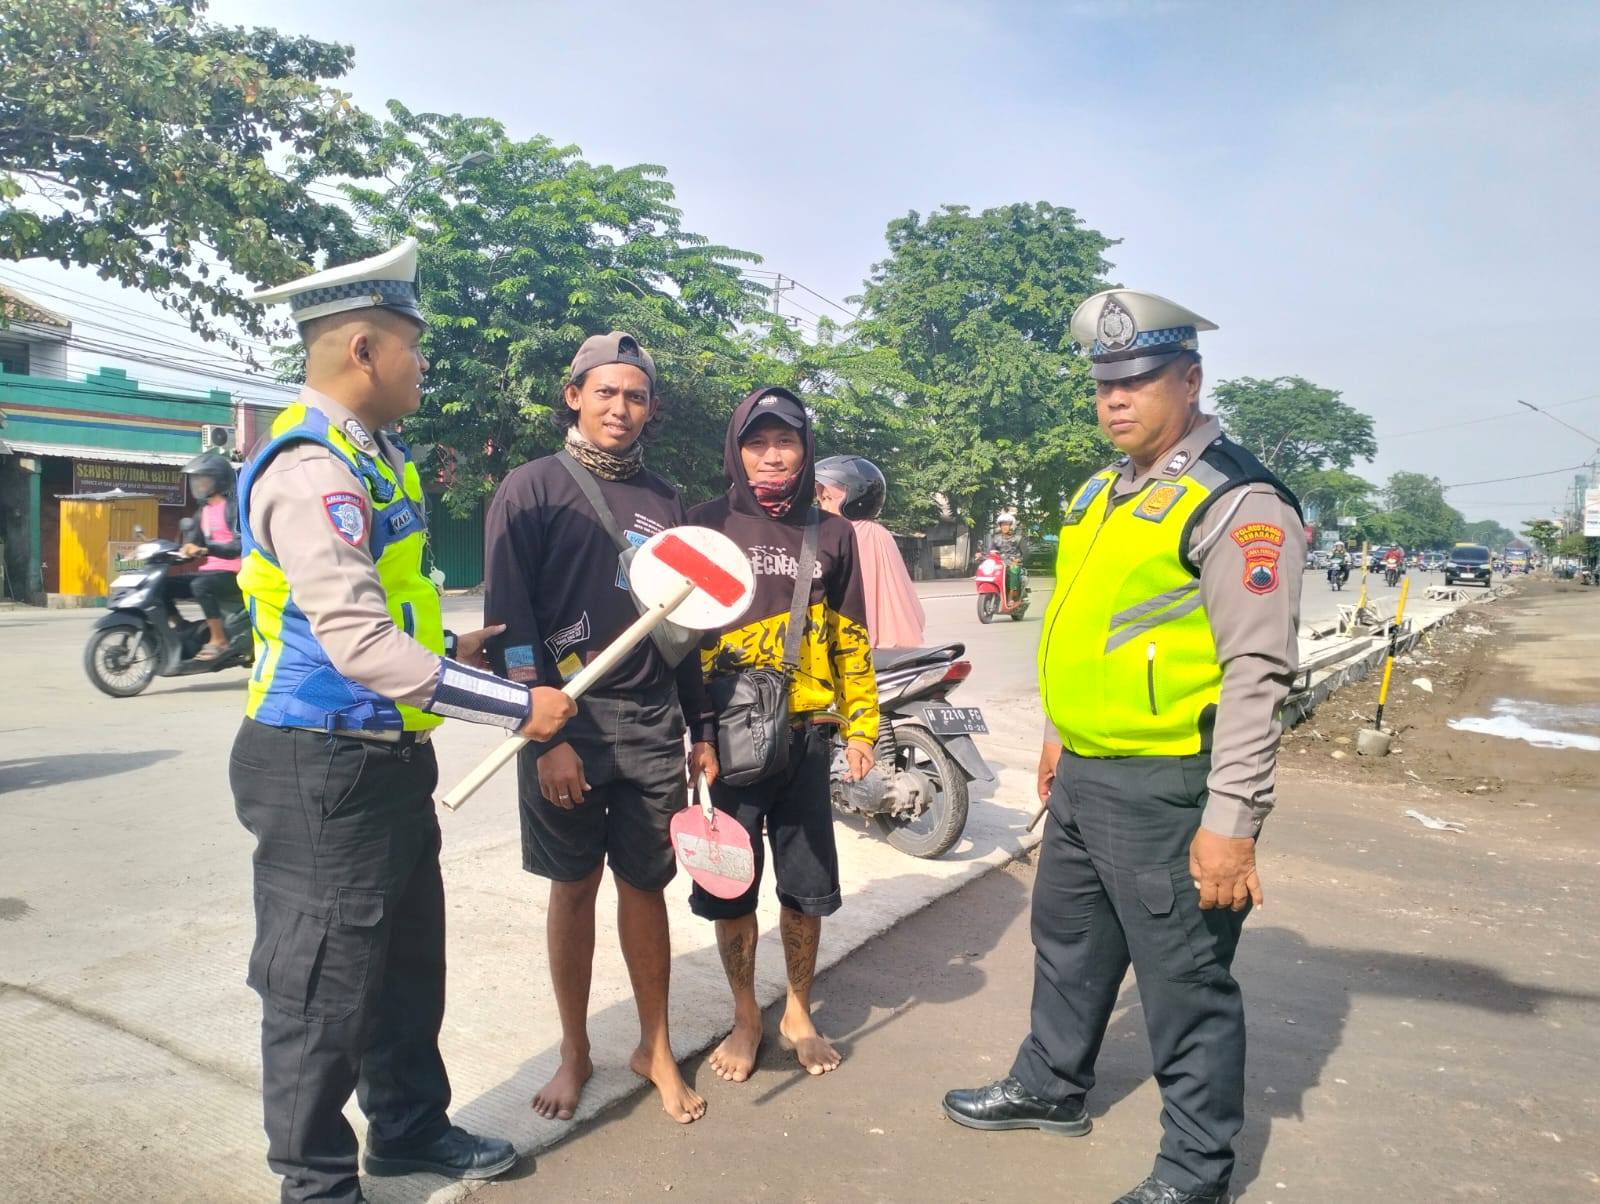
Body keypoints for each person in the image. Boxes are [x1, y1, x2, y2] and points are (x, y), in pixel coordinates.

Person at [942, 289, 1304, 1204]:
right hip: (1086, 771)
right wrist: (1059, 732)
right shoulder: (1102, 491)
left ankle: (1195, 1170)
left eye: (1138, 381)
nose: (1116, 400)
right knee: (1068, 944)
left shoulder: (1236, 500)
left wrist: (1232, 823)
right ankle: (1050, 1085)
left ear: (1190, 380)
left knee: (1185, 983)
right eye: (1105, 384)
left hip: (1168, 787)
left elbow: (1258, 673)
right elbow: (1084, 626)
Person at [234, 237, 576, 1204]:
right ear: (363, 350)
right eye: (412, 347)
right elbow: (358, 643)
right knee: (321, 985)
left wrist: (457, 649)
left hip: (384, 758)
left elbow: (386, 610)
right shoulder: (314, 467)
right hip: (320, 762)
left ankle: (408, 1131)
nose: (422, 365)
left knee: (401, 964)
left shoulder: (374, 458)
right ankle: (315, 1185)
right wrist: (519, 706)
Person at [481, 331, 714, 1126]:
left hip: (651, 722)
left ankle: (655, 1047)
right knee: (573, 885)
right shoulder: (531, 488)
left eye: (636, 395)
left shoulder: (667, 501)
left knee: (646, 887)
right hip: (564, 721)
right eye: (606, 392)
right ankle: (575, 1050)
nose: (621, 408)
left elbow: (687, 626)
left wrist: (699, 728)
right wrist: (544, 737)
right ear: (573, 395)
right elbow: (509, 625)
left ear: (651, 408)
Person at [688, 388, 879, 1082]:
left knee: (805, 888)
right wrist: (696, 733)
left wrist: (864, 727)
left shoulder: (833, 534)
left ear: (805, 450)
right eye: (757, 443)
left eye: (786, 441)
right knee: (731, 886)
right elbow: (683, 642)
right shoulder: (704, 525)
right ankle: (747, 1015)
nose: (772, 456)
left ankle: (798, 1009)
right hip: (726, 741)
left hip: (808, 735)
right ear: (736, 450)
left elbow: (853, 634)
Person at [815, 453, 926, 648]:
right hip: (897, 645)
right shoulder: (880, 533)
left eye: (828, 498)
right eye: (821, 500)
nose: (823, 507)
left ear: (852, 499)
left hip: (857, 646)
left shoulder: (848, 535)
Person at [178, 449, 244, 659]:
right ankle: (181, 628)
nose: (197, 484)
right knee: (166, 585)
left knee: (200, 586)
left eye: (202, 479)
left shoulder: (233, 509)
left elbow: (238, 546)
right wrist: (182, 549)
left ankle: (219, 639)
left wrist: (207, 549)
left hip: (234, 572)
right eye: (195, 480)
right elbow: (192, 541)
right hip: (210, 571)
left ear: (218, 480)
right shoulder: (202, 512)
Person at [992, 510, 1026, 604]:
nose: (1004, 526)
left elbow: (1026, 553)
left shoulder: (1018, 538)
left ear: (1011, 526)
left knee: (1013, 569)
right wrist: (981, 555)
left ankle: (1011, 596)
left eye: (1007, 524)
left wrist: (1018, 560)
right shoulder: (996, 539)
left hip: (1013, 563)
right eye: (1002, 524)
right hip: (1000, 563)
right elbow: (991, 552)